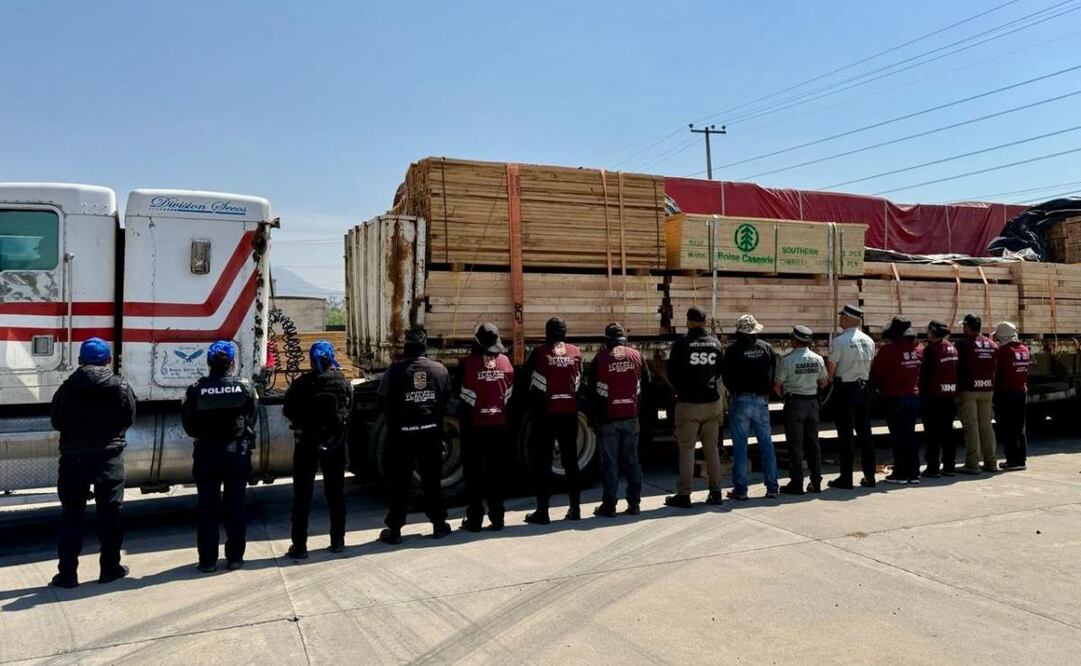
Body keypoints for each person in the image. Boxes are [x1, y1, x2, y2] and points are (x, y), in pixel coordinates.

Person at [49, 338, 136, 588]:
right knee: (110, 515)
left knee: (71, 517)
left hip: (74, 459)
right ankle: (109, 569)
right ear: (108, 360)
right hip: (108, 458)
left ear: (79, 361)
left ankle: (67, 574)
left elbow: (57, 421)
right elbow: (128, 417)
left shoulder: (66, 388)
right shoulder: (120, 386)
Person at [181, 341, 258, 572]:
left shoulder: (195, 389)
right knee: (235, 506)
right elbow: (251, 418)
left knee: (208, 508)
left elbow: (189, 426)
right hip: (237, 454)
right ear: (232, 363)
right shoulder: (244, 387)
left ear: (209, 363)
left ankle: (207, 561)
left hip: (206, 454)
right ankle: (234, 558)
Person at [377, 327, 453, 544]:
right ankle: (439, 525)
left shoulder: (394, 371)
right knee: (432, 481)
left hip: (402, 436)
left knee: (399, 483)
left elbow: (382, 400)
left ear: (406, 347)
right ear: (425, 346)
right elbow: (447, 398)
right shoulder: (440, 370)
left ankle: (395, 530)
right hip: (430, 435)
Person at [283, 340, 353, 559]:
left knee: (302, 495)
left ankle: (300, 545)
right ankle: (338, 540)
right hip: (335, 443)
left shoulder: (301, 384)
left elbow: (288, 411)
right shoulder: (342, 382)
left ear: (311, 360)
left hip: (306, 443)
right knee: (335, 493)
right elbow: (350, 408)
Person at [523, 317, 584, 524]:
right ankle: (575, 509)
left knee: (543, 463)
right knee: (571, 462)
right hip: (569, 414)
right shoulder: (575, 352)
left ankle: (543, 512)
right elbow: (578, 382)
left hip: (545, 416)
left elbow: (526, 383)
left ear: (547, 333)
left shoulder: (539, 353)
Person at [664, 306, 725, 508]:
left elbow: (671, 373)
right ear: (705, 322)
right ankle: (716, 492)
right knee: (712, 449)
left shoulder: (682, 344)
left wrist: (681, 389)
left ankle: (684, 494)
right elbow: (719, 371)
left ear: (688, 322)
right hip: (711, 402)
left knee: (687, 450)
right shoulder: (715, 343)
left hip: (689, 403)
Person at [456, 323, 514, 532]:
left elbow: (461, 398)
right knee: (496, 474)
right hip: (499, 426)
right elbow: (509, 396)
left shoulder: (467, 364)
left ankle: (475, 520)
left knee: (473, 476)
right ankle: (497, 518)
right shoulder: (506, 362)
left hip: (473, 428)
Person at [587, 323, 649, 517]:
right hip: (631, 416)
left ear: (607, 340)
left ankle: (609, 505)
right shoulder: (636, 356)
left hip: (608, 419)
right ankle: (634, 504)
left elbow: (592, 390)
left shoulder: (601, 358)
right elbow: (646, 383)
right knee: (632, 461)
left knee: (610, 463)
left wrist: (594, 417)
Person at [721, 314, 779, 500]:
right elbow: (773, 372)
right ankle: (772, 487)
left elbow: (726, 377)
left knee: (740, 446)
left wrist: (736, 392)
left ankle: (741, 489)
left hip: (741, 400)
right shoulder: (766, 348)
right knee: (766, 444)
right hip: (761, 401)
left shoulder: (732, 351)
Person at [773, 325, 828, 495]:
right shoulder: (818, 359)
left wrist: (785, 396)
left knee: (795, 445)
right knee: (813, 443)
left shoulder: (787, 360)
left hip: (794, 403)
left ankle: (797, 483)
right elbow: (824, 381)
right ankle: (816, 481)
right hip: (812, 403)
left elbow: (776, 386)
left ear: (794, 340)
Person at [827, 304, 878, 489]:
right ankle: (870, 476)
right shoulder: (869, 341)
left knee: (846, 436)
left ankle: (846, 478)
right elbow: (870, 366)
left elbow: (831, 371)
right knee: (865, 434)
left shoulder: (839, 342)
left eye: (842, 317)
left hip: (845, 390)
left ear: (848, 319)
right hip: (863, 389)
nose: (839, 319)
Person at [871, 317, 923, 485]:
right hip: (913, 397)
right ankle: (913, 473)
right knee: (910, 436)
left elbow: (876, 373)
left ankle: (900, 474)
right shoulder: (919, 350)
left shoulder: (888, 350)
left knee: (898, 438)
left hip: (894, 398)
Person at [955, 313, 998, 474]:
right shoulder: (992, 345)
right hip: (987, 390)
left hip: (968, 390)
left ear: (967, 327)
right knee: (986, 426)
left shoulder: (962, 345)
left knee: (971, 427)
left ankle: (973, 463)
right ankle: (991, 462)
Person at [920, 320, 959, 478]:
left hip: (934, 396)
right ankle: (949, 466)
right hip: (949, 395)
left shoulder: (931, 350)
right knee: (948, 432)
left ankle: (933, 468)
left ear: (932, 332)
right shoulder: (952, 348)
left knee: (933, 434)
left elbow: (925, 375)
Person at [993, 321, 1030, 471]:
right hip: (1021, 391)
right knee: (1020, 427)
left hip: (1006, 393)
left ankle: (1012, 460)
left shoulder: (1003, 351)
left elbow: (997, 370)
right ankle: (1021, 459)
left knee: (1008, 427)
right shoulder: (1024, 348)